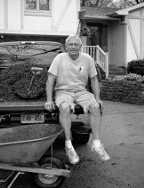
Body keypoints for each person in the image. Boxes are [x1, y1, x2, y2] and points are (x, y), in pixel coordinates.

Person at [44, 35, 110, 164]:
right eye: (70, 44)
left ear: (80, 46)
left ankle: (97, 144)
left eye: (76, 44)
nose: (73, 47)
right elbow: (50, 79)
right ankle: (68, 145)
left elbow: (94, 79)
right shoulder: (59, 58)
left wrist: (97, 98)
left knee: (96, 107)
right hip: (63, 91)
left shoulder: (87, 59)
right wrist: (49, 100)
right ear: (66, 46)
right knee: (64, 108)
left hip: (81, 92)